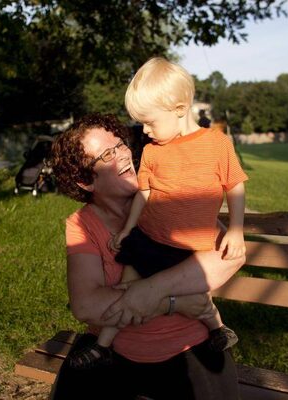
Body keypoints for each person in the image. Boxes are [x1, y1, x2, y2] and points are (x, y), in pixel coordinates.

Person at [67, 57, 248, 371]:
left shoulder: (217, 145)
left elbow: (234, 186)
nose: (145, 131)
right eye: (142, 124)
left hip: (189, 247)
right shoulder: (153, 151)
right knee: (130, 285)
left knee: (197, 297)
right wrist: (129, 230)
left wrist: (235, 229)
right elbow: (145, 192)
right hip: (149, 237)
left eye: (149, 122)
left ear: (179, 109)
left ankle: (218, 329)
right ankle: (103, 345)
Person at [49, 113, 245, 399]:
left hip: (187, 348)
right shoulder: (82, 225)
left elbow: (230, 257)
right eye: (107, 154)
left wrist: (152, 290)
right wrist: (174, 302)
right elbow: (86, 305)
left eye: (120, 144)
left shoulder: (166, 197)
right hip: (113, 352)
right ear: (85, 181)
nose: (124, 154)